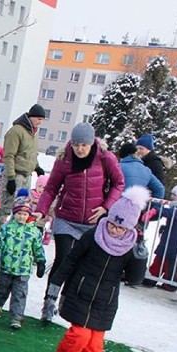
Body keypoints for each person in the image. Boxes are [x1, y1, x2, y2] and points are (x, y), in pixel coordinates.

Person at [46, 187, 150, 352]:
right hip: (80, 291)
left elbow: (133, 278)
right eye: (112, 224)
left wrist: (140, 256)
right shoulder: (94, 235)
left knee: (95, 344)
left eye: (120, 228)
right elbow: (71, 260)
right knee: (79, 335)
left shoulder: (129, 246)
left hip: (106, 300)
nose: (113, 230)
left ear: (129, 228)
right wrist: (54, 288)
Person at [33, 122, 124, 323]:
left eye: (84, 145)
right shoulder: (64, 160)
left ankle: (66, 300)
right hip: (66, 218)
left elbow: (119, 183)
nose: (80, 149)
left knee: (80, 263)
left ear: (92, 143)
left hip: (92, 222)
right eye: (76, 145)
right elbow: (51, 189)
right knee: (64, 257)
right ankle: (49, 300)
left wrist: (106, 207)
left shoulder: (105, 158)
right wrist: (41, 210)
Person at [0, 197, 46, 329]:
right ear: (14, 214)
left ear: (28, 215)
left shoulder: (33, 231)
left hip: (23, 269)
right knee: (2, 290)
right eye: (19, 213)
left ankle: (17, 317)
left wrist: (41, 261)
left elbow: (38, 247)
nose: (21, 217)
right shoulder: (6, 228)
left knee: (19, 294)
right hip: (5, 267)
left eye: (25, 214)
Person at [0, 104, 46, 239]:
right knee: (6, 208)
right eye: (39, 118)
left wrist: (36, 167)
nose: (40, 122)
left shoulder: (33, 133)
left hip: (27, 176)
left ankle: (11, 237)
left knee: (21, 209)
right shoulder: (16, 131)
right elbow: (9, 155)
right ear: (31, 117)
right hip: (15, 174)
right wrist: (10, 178)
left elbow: (30, 153)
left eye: (42, 119)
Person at [142, 182, 177, 292]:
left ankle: (170, 283)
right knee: (160, 258)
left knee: (171, 262)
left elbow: (170, 213)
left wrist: (156, 210)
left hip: (175, 240)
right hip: (170, 237)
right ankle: (152, 278)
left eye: (174, 195)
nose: (171, 197)